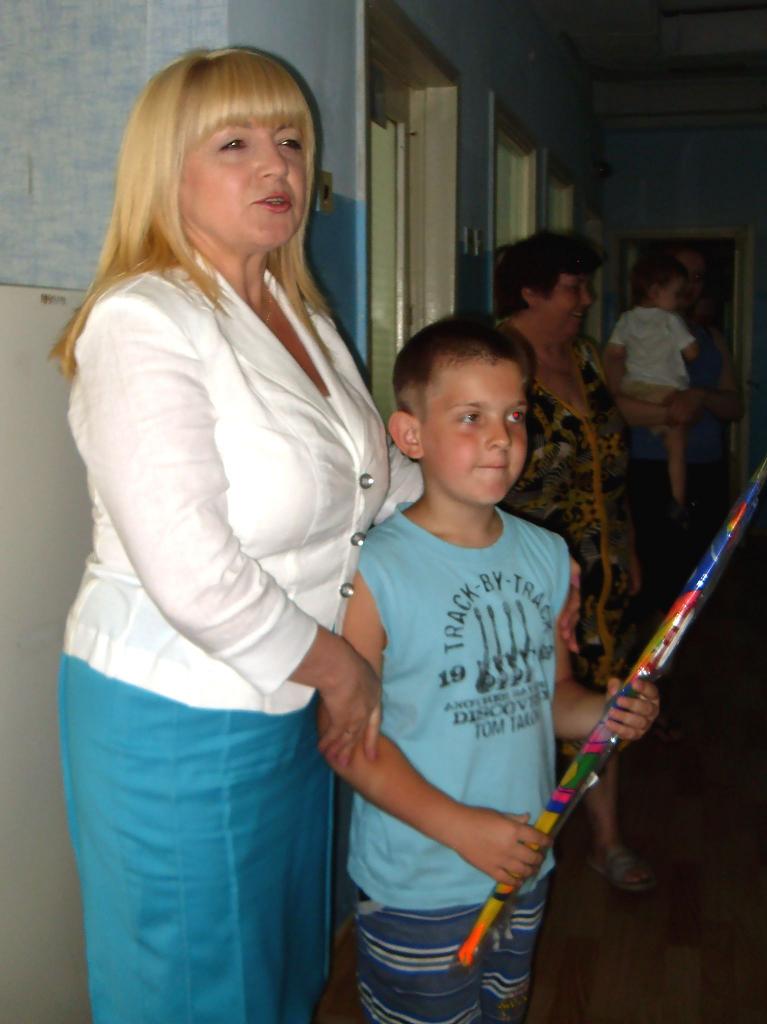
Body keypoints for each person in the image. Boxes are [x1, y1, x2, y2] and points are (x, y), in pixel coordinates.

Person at [52, 48, 420, 1024]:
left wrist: (485, 534)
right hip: (181, 712)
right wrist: (345, 674)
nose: (277, 166)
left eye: (291, 141)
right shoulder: (142, 320)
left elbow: (373, 484)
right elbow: (195, 571)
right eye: (236, 143)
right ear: (165, 171)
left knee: (280, 970)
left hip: (292, 697)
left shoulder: (299, 314)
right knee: (197, 990)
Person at [325, 319, 659, 1023]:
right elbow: (347, 743)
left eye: (514, 415)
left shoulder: (546, 554)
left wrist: (608, 712)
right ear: (411, 435)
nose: (502, 438)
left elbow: (552, 696)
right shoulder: (376, 570)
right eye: (470, 417)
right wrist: (462, 829)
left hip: (523, 865)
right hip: (419, 882)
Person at [494, 231, 656, 894]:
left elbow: (610, 465)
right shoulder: (499, 359)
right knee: (528, 702)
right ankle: (513, 836)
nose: (586, 299)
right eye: (572, 287)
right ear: (531, 292)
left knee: (605, 697)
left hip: (603, 565)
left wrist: (628, 544)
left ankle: (606, 839)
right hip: (532, 572)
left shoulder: (586, 356)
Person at [604, 244, 743, 740]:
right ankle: (643, 694)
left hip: (704, 472)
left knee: (693, 582)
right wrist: (669, 412)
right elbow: (614, 398)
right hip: (646, 467)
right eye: (685, 275)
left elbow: (734, 407)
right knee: (653, 585)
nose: (693, 286)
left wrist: (700, 396)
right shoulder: (636, 330)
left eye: (700, 277)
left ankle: (674, 686)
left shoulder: (709, 338)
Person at [605, 252, 699, 514]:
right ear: (656, 291)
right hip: (664, 391)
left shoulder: (626, 319)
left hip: (633, 389)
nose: (679, 300)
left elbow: (613, 352)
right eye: (676, 294)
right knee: (676, 446)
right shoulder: (671, 320)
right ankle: (678, 499)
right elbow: (692, 353)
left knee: (621, 437)